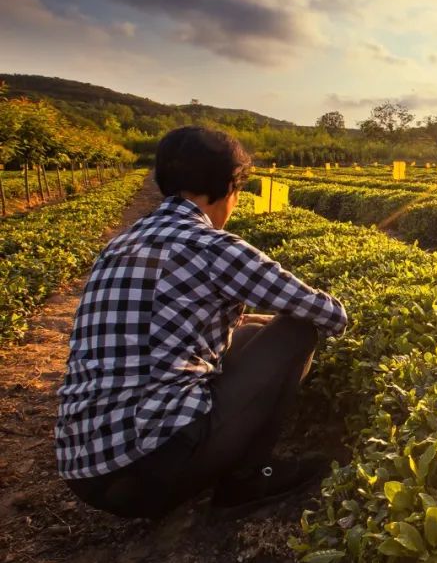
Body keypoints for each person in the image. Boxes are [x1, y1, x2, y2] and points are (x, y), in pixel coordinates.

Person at [56, 126, 348, 520]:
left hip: (84, 470)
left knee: (248, 333)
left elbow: (174, 319)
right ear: (230, 187)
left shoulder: (119, 245)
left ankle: (221, 464)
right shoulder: (212, 246)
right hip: (146, 471)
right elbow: (329, 313)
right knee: (296, 332)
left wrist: (249, 322)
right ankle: (249, 478)